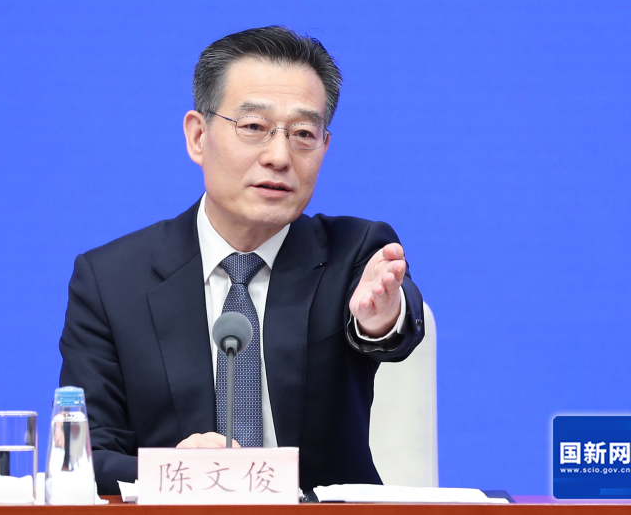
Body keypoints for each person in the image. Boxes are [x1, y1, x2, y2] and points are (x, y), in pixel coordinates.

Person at [59, 26, 425, 495]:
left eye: (303, 133)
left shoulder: (354, 251)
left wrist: (380, 320)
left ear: (324, 147)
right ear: (198, 136)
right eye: (253, 127)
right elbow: (85, 454)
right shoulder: (111, 280)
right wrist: (176, 472)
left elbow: (394, 328)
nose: (279, 156)